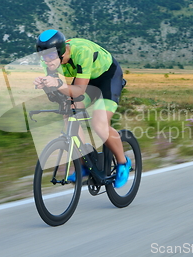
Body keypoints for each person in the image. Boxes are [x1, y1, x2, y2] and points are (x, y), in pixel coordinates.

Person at [33, 29, 130, 188]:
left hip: (108, 78)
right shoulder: (49, 63)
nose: (47, 61)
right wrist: (44, 85)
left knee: (99, 124)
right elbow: (56, 96)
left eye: (50, 56)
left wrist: (57, 84)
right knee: (68, 112)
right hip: (87, 80)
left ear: (61, 52)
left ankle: (123, 162)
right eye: (43, 56)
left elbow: (78, 90)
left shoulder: (82, 52)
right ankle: (85, 164)